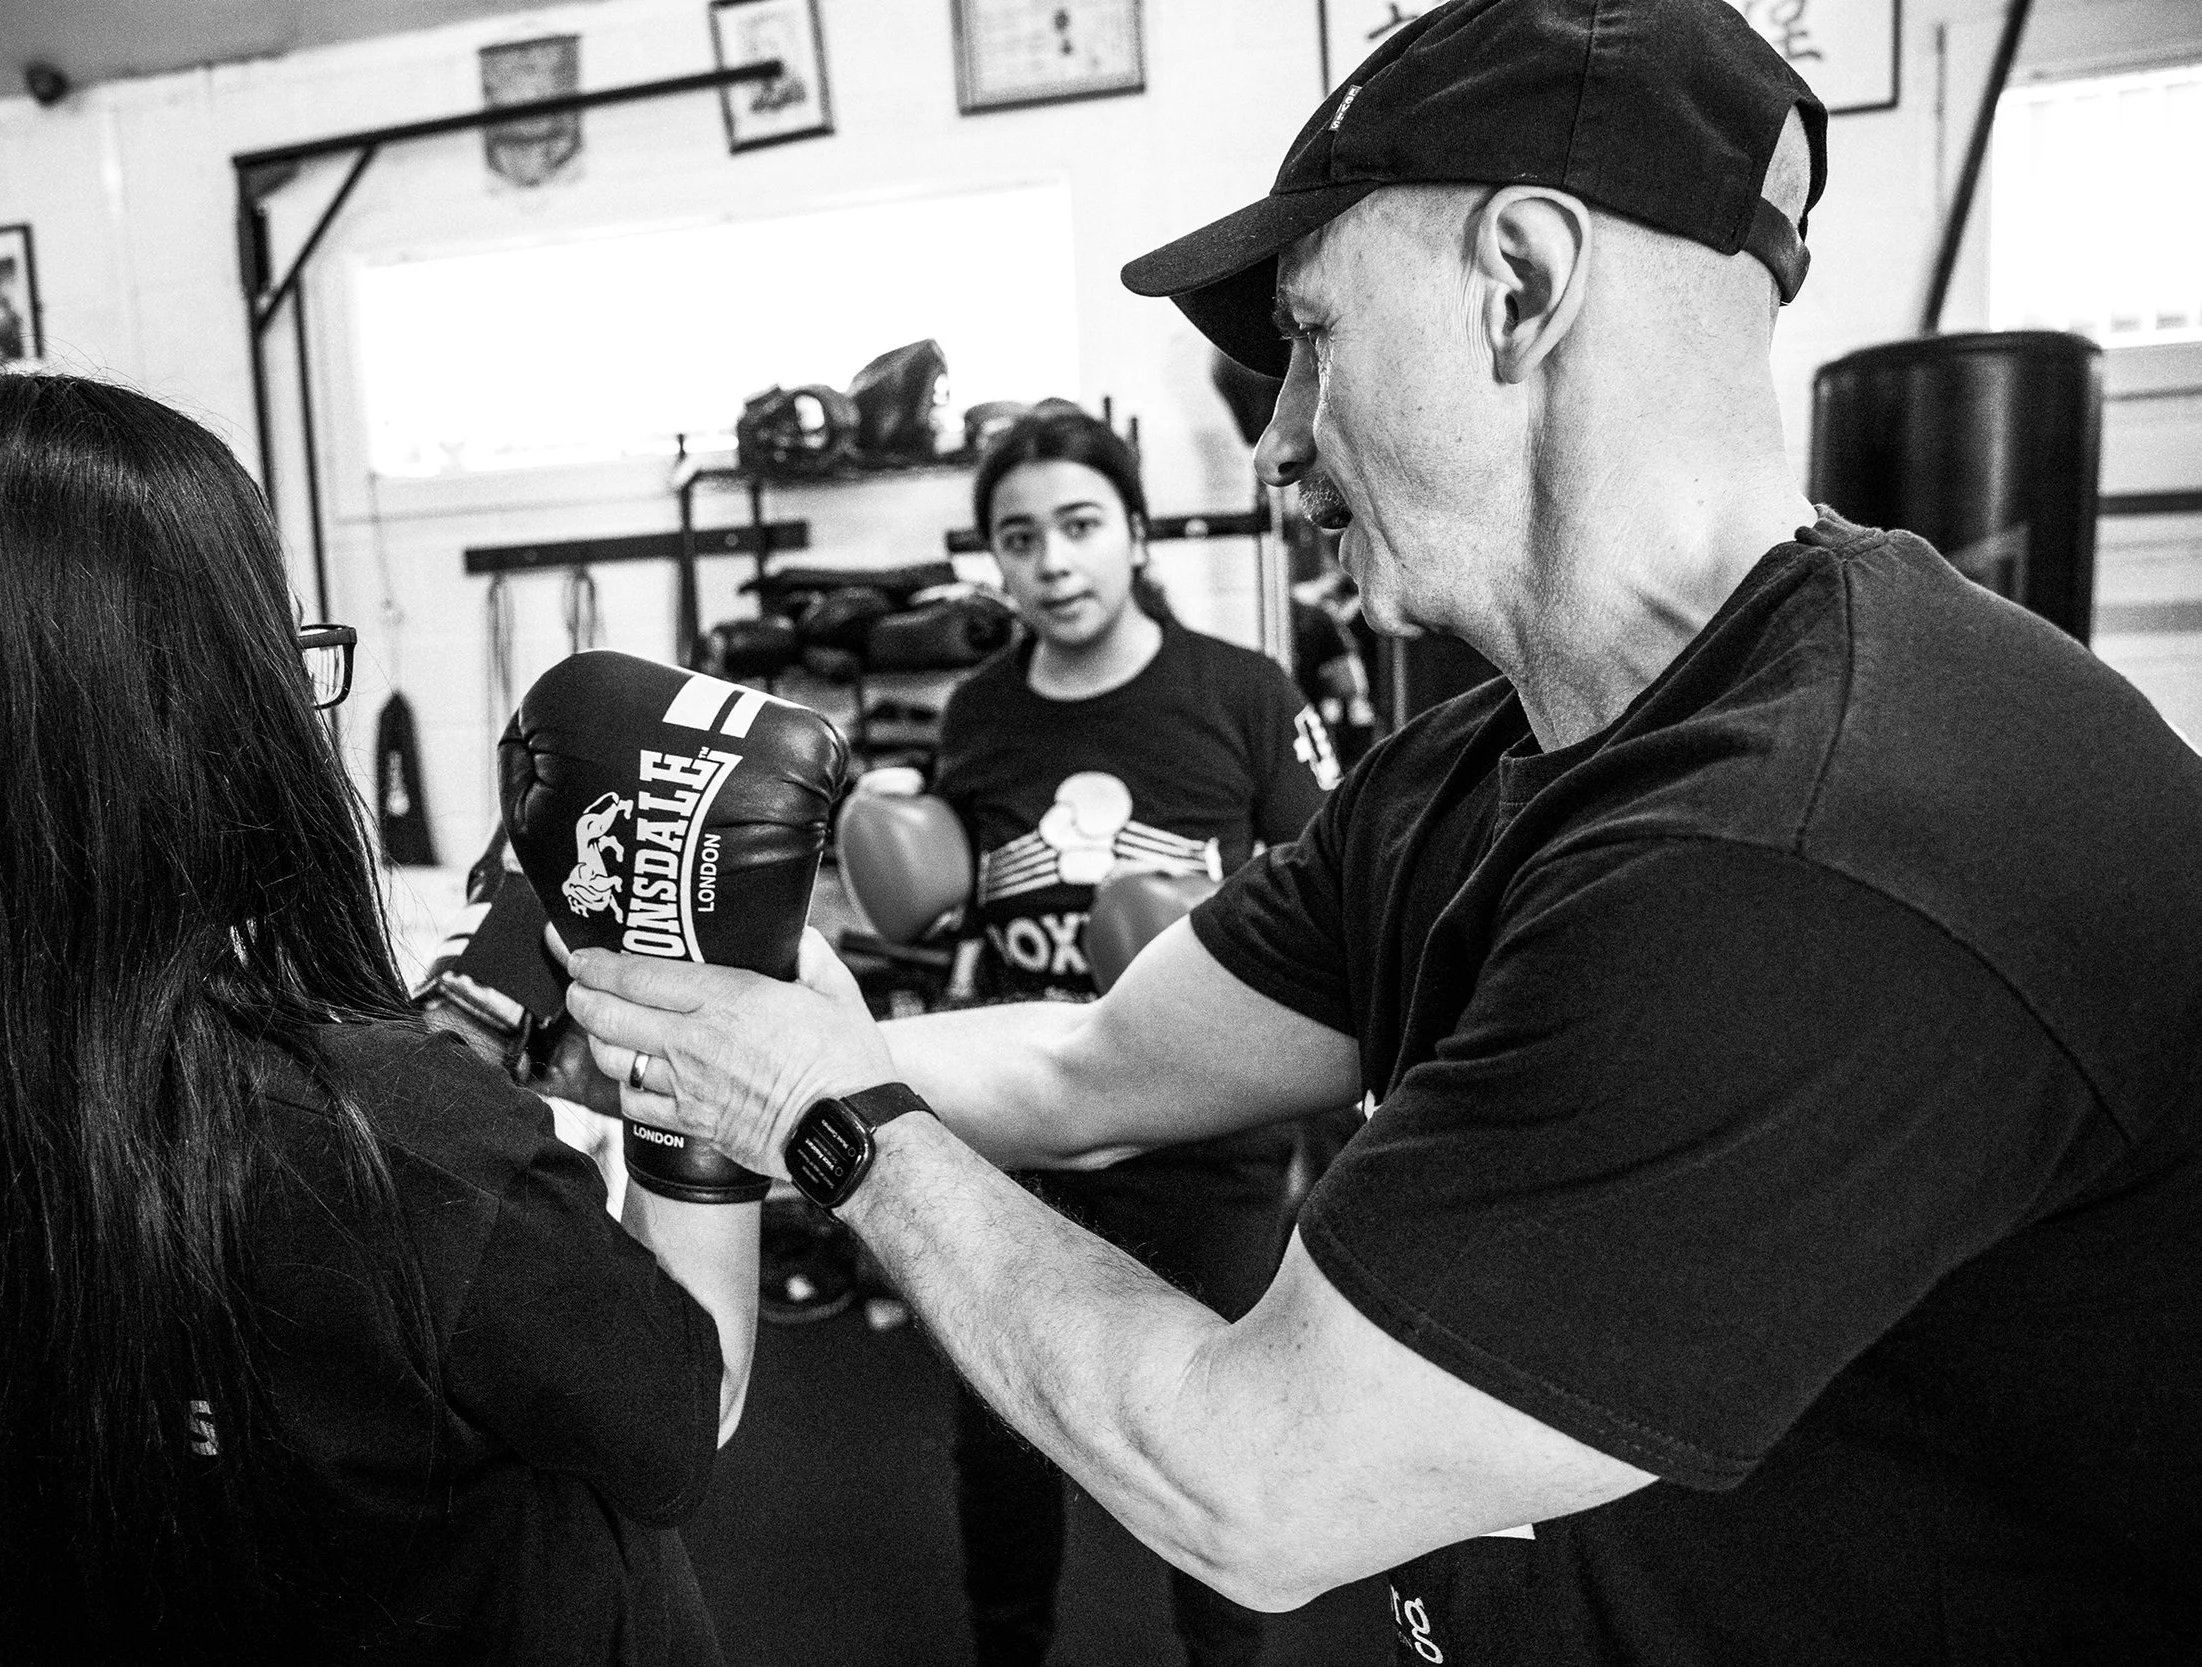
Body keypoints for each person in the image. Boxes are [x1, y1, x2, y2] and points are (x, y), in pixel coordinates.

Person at [555, 1, 2202, 1661]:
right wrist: (777, 1002)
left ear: (1521, 286)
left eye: (1315, 338)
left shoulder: (1807, 848)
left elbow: (1254, 1482)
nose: (1277, 437)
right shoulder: (1464, 768)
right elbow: (1094, 1066)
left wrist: (830, 1125)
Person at [0, 366, 757, 1666]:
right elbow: (682, 1408)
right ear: (184, 710)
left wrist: (447, 1042)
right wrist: (704, 1062)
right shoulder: (394, 1148)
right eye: (278, 656)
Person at [931, 408, 1336, 1667]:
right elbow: (951, 897)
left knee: (1208, 1442)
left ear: (1134, 533)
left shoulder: (1243, 693)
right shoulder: (977, 714)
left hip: (1201, 1126)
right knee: (999, 1424)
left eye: (1077, 525)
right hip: (1020, 1138)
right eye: (1017, 536)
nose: (1050, 561)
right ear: (994, 560)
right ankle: (1012, 1646)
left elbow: (1329, 898)